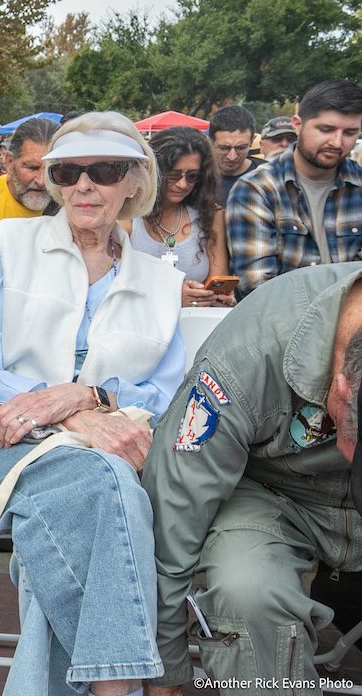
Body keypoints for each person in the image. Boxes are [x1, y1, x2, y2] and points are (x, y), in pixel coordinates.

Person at [0, 111, 186, 696]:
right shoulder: (11, 245)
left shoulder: (161, 280)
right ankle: (123, 687)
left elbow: (165, 393)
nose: (83, 186)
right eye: (66, 172)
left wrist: (90, 395)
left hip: (101, 462)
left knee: (75, 520)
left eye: (104, 170)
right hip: (3, 451)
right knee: (107, 482)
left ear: (135, 180)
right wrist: (70, 412)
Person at [141, 263, 362, 696]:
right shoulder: (245, 355)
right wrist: (165, 671)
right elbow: (175, 515)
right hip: (271, 490)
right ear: (339, 388)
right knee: (248, 590)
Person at [227, 78, 362, 297]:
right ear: (297, 125)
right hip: (283, 326)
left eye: (349, 133)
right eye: (326, 129)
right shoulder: (256, 189)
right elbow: (257, 289)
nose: (337, 142)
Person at [125, 126, 233, 306]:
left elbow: (219, 280)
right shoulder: (127, 216)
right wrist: (171, 296)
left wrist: (219, 298)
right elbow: (114, 284)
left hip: (195, 323)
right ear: (154, 172)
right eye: (173, 175)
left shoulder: (211, 215)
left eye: (192, 176)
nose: (183, 184)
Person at [0, 116, 60, 241]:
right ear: (9, 162)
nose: (41, 181)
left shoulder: (72, 203)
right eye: (32, 168)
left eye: (51, 169)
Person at [209, 105, 262, 206]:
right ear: (211, 142)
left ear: (252, 141)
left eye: (241, 148)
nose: (232, 157)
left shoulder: (270, 176)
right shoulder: (196, 176)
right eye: (224, 148)